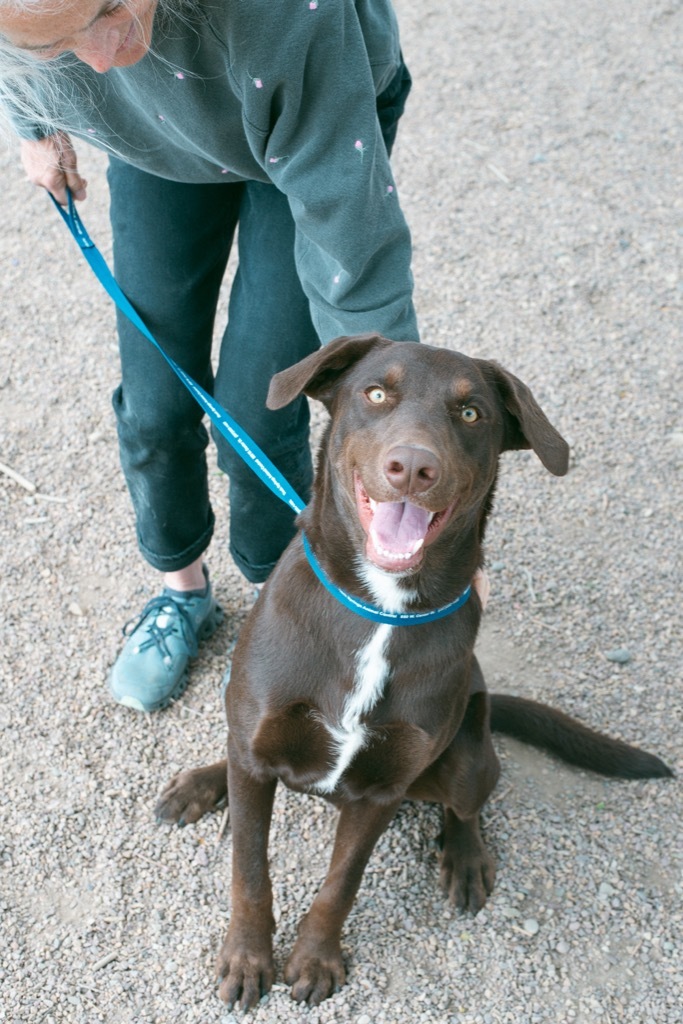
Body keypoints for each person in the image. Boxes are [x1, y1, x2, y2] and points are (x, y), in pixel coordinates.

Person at [0, 0, 422, 711]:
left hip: (299, 116)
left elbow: (357, 268)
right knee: (155, 403)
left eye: (105, 8)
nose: (99, 56)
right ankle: (182, 590)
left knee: (259, 412)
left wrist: (402, 428)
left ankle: (276, 599)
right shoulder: (75, 39)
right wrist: (33, 124)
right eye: (60, 44)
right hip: (155, 139)